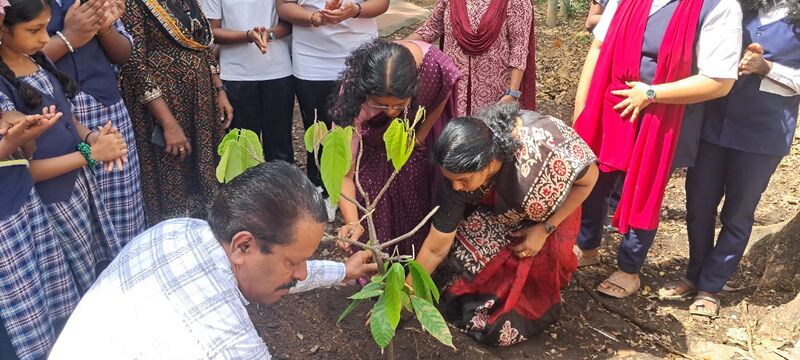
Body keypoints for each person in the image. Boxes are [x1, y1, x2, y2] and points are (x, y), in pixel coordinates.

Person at [48, 161, 378, 359]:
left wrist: (342, 271)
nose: (300, 272)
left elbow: (277, 272)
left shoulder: (178, 229)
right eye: (294, 262)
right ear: (243, 246)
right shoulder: (226, 343)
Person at [572, 0, 743, 298]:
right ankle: (587, 246)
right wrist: (582, 109)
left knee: (644, 188)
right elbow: (598, 49)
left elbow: (719, 81)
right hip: (610, 106)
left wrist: (651, 93)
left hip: (664, 117)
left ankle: (629, 268)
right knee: (594, 178)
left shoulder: (719, 6)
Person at [659, 0, 800, 318]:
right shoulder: (740, 10)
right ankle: (694, 274)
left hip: (763, 135)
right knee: (698, 205)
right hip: (713, 125)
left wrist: (768, 69)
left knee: (737, 213)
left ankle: (711, 286)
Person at [414, 102, 598, 346]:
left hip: (553, 208)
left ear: (489, 164)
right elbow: (437, 247)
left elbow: (589, 179)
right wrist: (405, 295)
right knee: (452, 289)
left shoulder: (543, 150)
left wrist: (545, 229)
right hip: (502, 210)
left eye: (463, 180)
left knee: (507, 317)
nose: (456, 187)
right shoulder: (457, 176)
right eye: (451, 180)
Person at [0, 0, 129, 295]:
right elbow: (25, 169)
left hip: (79, 190)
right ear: (3, 31)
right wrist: (89, 156)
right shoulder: (4, 87)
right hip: (54, 203)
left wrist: (91, 138)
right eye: (35, 30)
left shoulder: (36, 61)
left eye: (46, 27)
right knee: (78, 283)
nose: (46, 38)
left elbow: (66, 115)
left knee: (98, 267)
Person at [331, 39, 460, 256]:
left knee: (417, 203)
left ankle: (416, 264)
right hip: (370, 147)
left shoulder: (434, 69)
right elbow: (344, 172)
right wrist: (353, 222)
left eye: (399, 105)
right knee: (374, 208)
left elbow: (442, 93)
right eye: (381, 104)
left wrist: (420, 135)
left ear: (415, 88)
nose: (391, 112)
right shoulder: (353, 99)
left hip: (412, 139)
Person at [120, 0, 234, 225]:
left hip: (200, 101)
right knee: (172, 169)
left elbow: (201, 44)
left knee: (205, 167)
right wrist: (168, 123)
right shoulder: (135, 4)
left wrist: (219, 89)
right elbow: (134, 64)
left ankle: (207, 230)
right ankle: (175, 232)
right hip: (163, 104)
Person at [43, 0, 146, 242]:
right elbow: (13, 65)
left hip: (105, 110)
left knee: (123, 207)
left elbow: (123, 55)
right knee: (75, 220)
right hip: (50, 118)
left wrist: (105, 29)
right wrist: (68, 39)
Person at [277, 0, 388, 203]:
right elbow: (284, 6)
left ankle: (363, 188)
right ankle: (322, 189)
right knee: (318, 127)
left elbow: (382, 3)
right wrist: (312, 17)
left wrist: (355, 10)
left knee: (363, 127)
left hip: (360, 54)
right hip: (312, 58)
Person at [0, 109, 82, 360]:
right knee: (16, 332)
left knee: (49, 312)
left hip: (24, 209)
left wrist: (23, 132)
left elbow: (26, 155)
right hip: (5, 237)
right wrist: (10, 142)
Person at [202, 0, 295, 162]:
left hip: (278, 72)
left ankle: (281, 187)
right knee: (242, 154)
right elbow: (212, 31)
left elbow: (288, 22)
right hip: (236, 75)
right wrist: (247, 36)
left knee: (280, 150)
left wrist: (270, 34)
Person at [409, 0, 535, 115]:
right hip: (453, 89)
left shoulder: (517, 2)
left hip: (494, 95)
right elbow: (432, 27)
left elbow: (519, 48)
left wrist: (512, 93)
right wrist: (398, 47)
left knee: (487, 136)